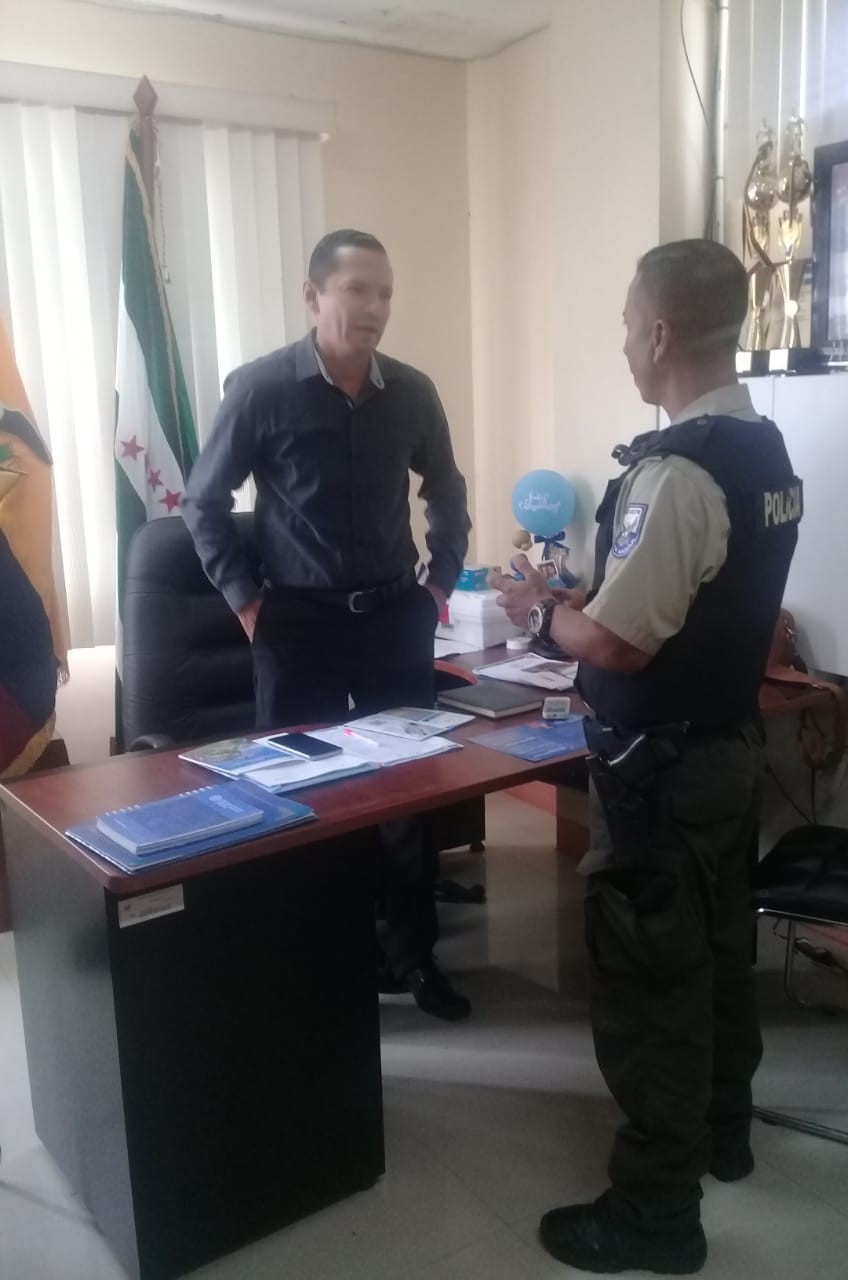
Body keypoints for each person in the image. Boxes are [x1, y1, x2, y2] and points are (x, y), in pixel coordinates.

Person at [489, 239, 802, 1274]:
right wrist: (587, 604)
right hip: (725, 751)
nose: (624, 343)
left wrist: (544, 617)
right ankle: (722, 1132)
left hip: (660, 775)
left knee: (651, 987)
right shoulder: (763, 451)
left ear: (661, 333)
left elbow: (620, 645)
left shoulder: (675, 474)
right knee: (718, 957)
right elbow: (697, 602)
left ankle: (655, 1213)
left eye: (629, 325)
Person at [182, 228, 472, 1021]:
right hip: (297, 623)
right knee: (302, 793)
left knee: (406, 793)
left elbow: (446, 489)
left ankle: (413, 956)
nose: (374, 307)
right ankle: (316, 958)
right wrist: (246, 601)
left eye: (385, 293)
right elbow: (203, 502)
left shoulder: (411, 392)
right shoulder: (261, 389)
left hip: (391, 618)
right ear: (313, 297)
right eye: (357, 290)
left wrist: (439, 584)